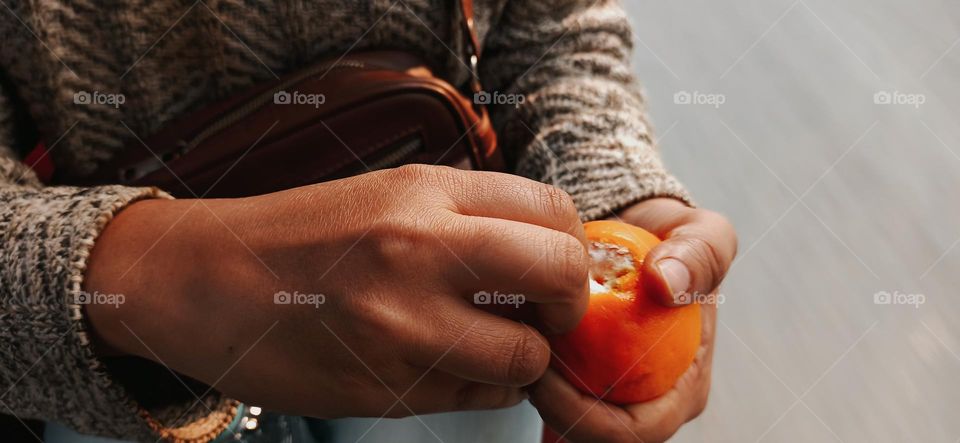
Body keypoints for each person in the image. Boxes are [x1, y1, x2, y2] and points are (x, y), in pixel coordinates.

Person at [0, 0, 736, 442]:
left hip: (481, 333)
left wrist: (609, 189)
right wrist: (159, 278)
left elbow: (550, 32)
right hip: (113, 368)